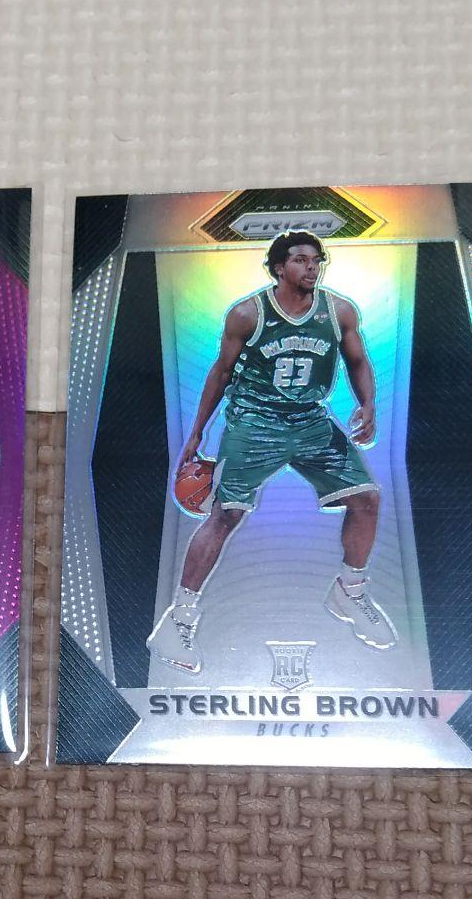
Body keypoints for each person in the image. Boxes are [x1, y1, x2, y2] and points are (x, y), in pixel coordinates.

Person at [147, 230, 395, 675]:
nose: (311, 267)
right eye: (300, 260)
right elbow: (221, 371)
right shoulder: (247, 314)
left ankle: (350, 591)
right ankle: (178, 620)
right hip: (255, 422)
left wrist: (368, 403)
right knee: (225, 514)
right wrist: (197, 432)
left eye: (316, 260)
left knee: (367, 498)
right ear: (279, 267)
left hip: (310, 420)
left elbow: (357, 361)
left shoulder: (339, 310)